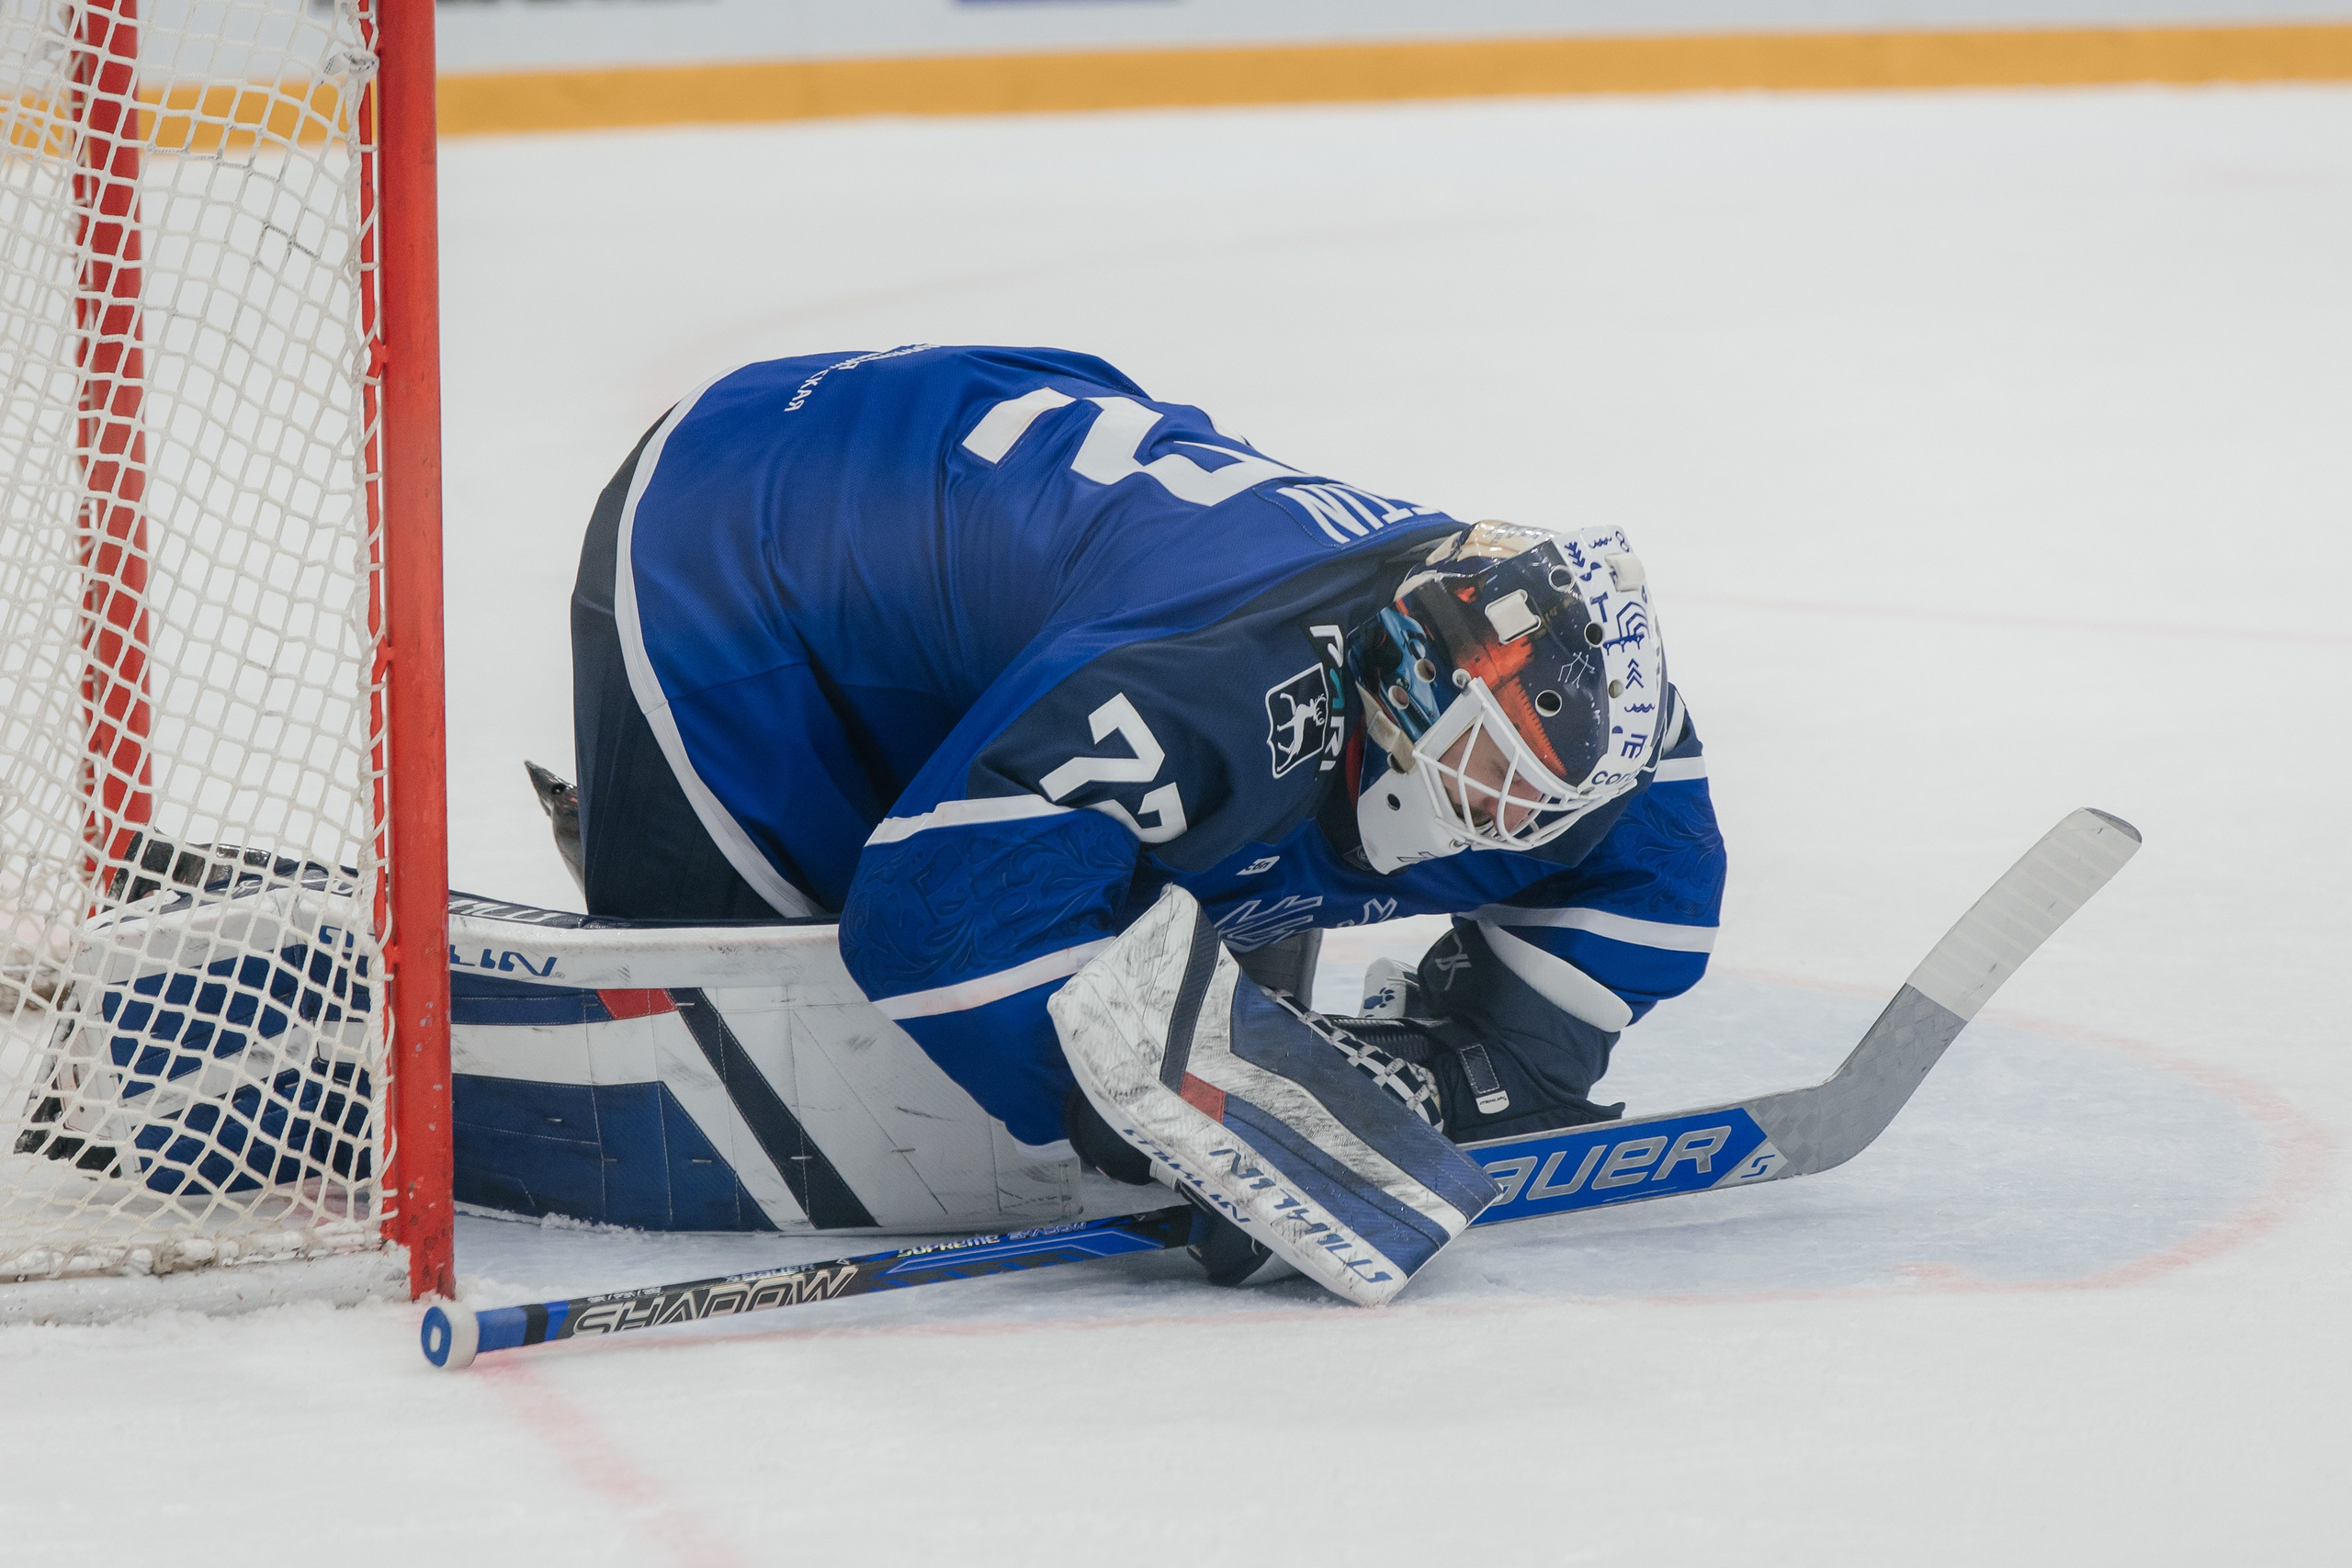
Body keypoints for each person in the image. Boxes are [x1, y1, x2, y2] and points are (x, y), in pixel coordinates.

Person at [570, 344, 1724, 1300]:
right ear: (1405, 692)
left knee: (1106, 853)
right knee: (766, 994)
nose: (1510, 822)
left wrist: (1503, 1057)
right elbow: (930, 915)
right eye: (1484, 772)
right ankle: (682, 810)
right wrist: (1164, 1124)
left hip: (996, 488)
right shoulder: (1214, 694)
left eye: (1543, 797)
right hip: (743, 524)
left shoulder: (1557, 688)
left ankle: (986, 789)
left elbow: (1653, 869)